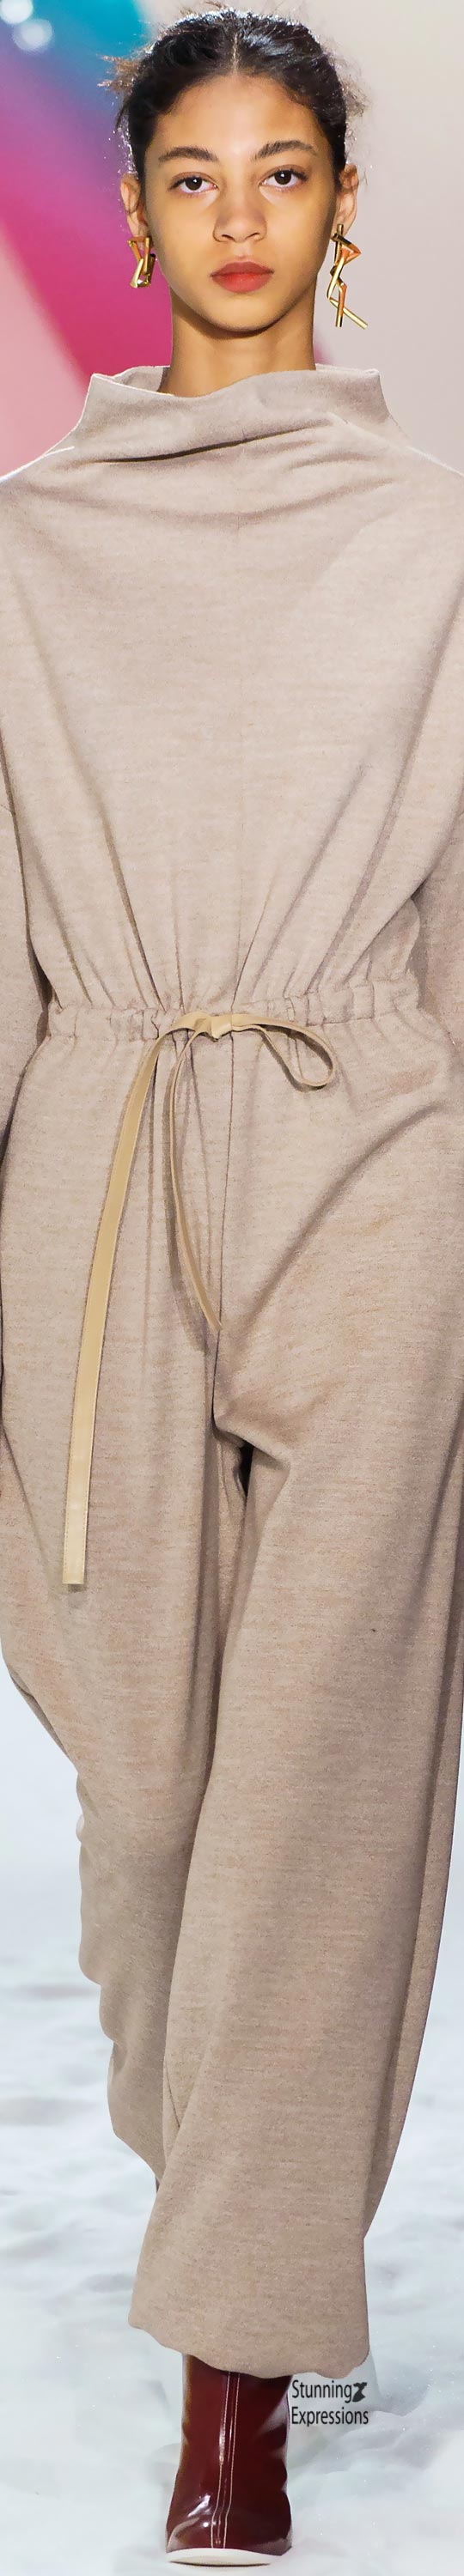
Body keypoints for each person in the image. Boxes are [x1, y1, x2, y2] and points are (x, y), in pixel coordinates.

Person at [1, 3, 464, 2560]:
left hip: (370, 1146)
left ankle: (234, 2377)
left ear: (340, 208)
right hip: (96, 1153)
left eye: (286, 171)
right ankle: (238, 2209)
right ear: (140, 213)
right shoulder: (27, 547)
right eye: (196, 175)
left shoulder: (432, 541)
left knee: (327, 1771)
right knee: (155, 1787)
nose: (243, 218)